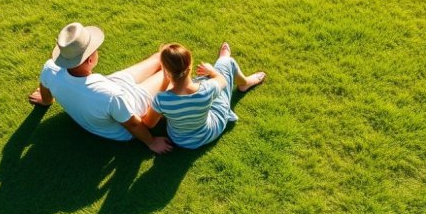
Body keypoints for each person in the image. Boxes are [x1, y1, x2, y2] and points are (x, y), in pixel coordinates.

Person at [28, 22, 172, 154]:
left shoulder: (50, 68)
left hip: (111, 87)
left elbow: (45, 89)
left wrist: (45, 101)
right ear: (90, 59)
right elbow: (133, 125)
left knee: (160, 57)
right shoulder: (111, 95)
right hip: (123, 121)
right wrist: (151, 142)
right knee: (168, 71)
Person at [142, 42, 266, 149]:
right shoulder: (207, 89)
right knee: (226, 63)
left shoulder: (161, 99)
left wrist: (165, 82)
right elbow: (222, 81)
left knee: (203, 80)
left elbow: (149, 124)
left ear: (165, 71)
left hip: (179, 140)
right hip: (209, 132)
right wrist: (212, 71)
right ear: (190, 66)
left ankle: (233, 75)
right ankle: (244, 82)